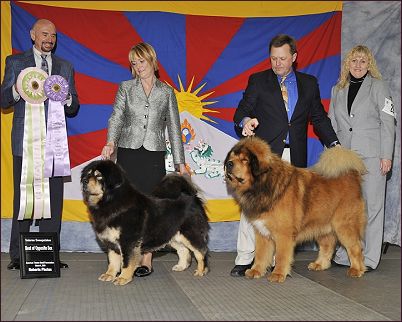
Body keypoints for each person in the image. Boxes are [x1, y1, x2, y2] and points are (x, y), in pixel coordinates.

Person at [230, 34, 340, 277]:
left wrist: (334, 143)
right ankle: (244, 258)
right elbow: (241, 111)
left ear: (294, 58)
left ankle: (279, 263)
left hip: (295, 159)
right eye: (273, 58)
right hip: (265, 162)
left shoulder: (309, 84)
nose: (277, 63)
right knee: (253, 210)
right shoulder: (258, 81)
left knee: (287, 216)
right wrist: (245, 122)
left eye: (282, 58)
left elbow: (319, 118)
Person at [101, 42, 189, 277]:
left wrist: (180, 163)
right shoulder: (126, 88)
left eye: (141, 61)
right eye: (134, 63)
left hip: (154, 154)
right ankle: (123, 256)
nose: (138, 67)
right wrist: (110, 142)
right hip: (128, 152)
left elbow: (174, 130)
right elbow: (116, 118)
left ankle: (146, 259)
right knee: (126, 207)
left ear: (152, 60)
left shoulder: (167, 92)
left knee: (150, 206)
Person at [1, 19, 79, 270]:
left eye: (54, 36)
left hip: (55, 145)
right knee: (23, 197)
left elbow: (74, 106)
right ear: (33, 34)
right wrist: (17, 88)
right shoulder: (15, 62)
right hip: (25, 142)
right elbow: (3, 100)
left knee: (54, 200)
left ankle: (50, 254)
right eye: (45, 34)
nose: (49, 39)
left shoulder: (65, 66)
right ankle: (17, 255)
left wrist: (66, 97)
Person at [328, 45, 395, 271]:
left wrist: (386, 155)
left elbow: (388, 124)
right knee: (345, 207)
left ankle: (370, 258)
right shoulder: (337, 89)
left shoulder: (379, 87)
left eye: (363, 61)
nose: (358, 65)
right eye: (354, 61)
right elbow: (332, 123)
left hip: (373, 156)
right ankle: (345, 254)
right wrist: (333, 153)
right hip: (345, 159)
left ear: (369, 65)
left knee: (373, 206)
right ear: (348, 64)